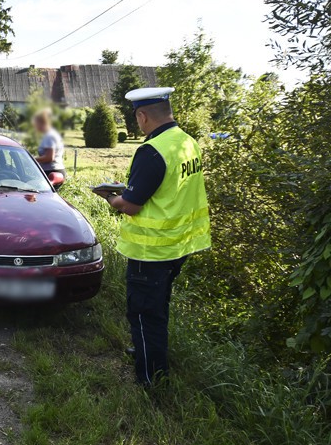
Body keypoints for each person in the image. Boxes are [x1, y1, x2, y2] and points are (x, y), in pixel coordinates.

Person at [92, 87, 211, 386]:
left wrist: (111, 198)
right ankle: (148, 353)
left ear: (143, 116)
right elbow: (167, 189)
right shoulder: (187, 142)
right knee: (157, 308)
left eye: (137, 118)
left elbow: (131, 205)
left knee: (145, 314)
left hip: (151, 251)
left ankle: (151, 381)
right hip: (179, 245)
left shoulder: (152, 150)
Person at [33, 108, 65, 176]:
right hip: (54, 170)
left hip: (51, 172)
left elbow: (49, 157)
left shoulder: (48, 136)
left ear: (42, 123)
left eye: (36, 123)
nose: (35, 126)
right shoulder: (51, 134)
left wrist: (32, 159)